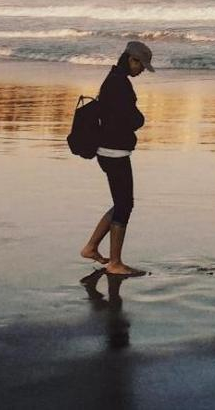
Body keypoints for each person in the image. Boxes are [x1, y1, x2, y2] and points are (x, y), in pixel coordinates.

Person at [80, 41, 153, 276]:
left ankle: (91, 247)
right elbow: (130, 119)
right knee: (124, 204)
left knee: (121, 202)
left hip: (108, 150)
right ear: (131, 60)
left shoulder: (114, 79)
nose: (142, 70)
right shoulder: (120, 84)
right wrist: (140, 119)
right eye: (141, 65)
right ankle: (115, 263)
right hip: (114, 152)